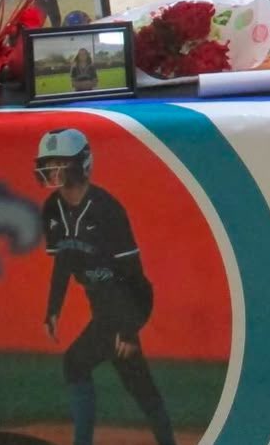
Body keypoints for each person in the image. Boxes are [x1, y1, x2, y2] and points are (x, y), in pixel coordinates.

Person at [35, 128, 175, 445]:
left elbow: (134, 278)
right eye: (48, 163)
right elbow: (64, 262)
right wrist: (53, 309)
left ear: (81, 164)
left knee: (76, 363)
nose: (52, 171)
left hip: (127, 301)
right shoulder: (52, 210)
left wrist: (127, 329)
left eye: (60, 163)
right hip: (103, 308)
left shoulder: (107, 209)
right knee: (138, 384)